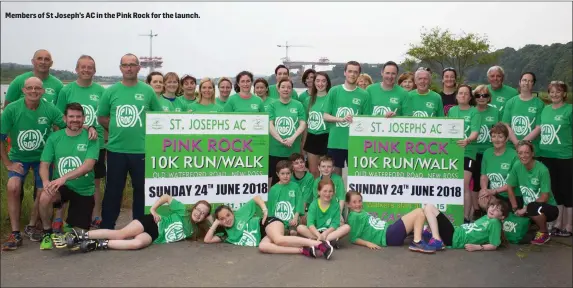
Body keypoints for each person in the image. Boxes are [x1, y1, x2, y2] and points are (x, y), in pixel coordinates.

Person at [1, 77, 95, 250]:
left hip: (41, 157)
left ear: (43, 91)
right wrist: (7, 163)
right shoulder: (12, 109)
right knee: (13, 186)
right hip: (19, 157)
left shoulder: (49, 108)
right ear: (23, 90)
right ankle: (16, 233)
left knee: (42, 193)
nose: (34, 91)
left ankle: (32, 226)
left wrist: (89, 127)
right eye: (29, 88)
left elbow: (70, 122)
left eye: (38, 88)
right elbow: (1, 137)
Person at [96, 53, 163, 230]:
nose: (129, 68)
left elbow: (158, 117)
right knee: (113, 191)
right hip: (116, 150)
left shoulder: (147, 91)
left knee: (141, 191)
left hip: (141, 150)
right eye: (125, 65)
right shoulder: (111, 91)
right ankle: (107, 226)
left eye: (133, 64)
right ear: (120, 68)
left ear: (139, 68)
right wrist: (118, 129)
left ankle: (139, 226)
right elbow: (102, 117)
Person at [37, 103, 100, 250]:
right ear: (65, 118)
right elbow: (44, 165)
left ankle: (70, 223)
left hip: (84, 189)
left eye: (78, 117)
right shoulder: (55, 138)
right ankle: (47, 232)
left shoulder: (91, 137)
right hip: (62, 187)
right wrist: (46, 181)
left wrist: (64, 177)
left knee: (78, 237)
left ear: (84, 118)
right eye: (71, 116)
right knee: (45, 196)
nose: (75, 119)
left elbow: (88, 166)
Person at [55, 55, 106, 230]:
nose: (86, 70)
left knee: (95, 181)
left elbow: (106, 116)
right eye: (82, 67)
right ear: (76, 69)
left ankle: (96, 214)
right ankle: (59, 216)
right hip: (70, 142)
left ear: (94, 70)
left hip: (96, 143)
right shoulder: (66, 91)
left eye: (90, 67)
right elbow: (60, 119)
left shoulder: (101, 91)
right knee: (66, 179)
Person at [58, 195, 213, 252]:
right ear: (194, 208)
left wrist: (210, 219)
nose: (199, 214)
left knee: (136, 244)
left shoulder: (195, 230)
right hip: (151, 223)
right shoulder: (183, 211)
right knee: (121, 234)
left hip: (155, 236)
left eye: (203, 213)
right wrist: (153, 210)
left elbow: (211, 234)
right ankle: (81, 235)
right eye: (198, 209)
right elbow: (166, 197)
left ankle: (98, 244)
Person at [204, 195, 334, 260]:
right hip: (263, 236)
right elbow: (207, 240)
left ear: (232, 212)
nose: (227, 219)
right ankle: (304, 250)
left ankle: (319, 244)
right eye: (222, 219)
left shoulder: (240, 213)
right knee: (263, 247)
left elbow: (256, 198)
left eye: (228, 215)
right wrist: (215, 224)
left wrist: (265, 210)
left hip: (268, 224)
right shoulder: (225, 234)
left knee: (278, 239)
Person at [345, 191, 436, 254]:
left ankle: (419, 235)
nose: (358, 204)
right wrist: (368, 244)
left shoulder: (361, 212)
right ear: (348, 204)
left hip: (389, 231)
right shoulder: (353, 216)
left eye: (360, 201)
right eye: (354, 202)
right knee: (419, 212)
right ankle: (417, 242)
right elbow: (353, 238)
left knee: (420, 212)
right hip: (388, 236)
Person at [506, 140, 560, 245]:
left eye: (526, 152)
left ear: (532, 153)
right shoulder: (517, 166)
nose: (523, 156)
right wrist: (515, 208)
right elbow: (510, 187)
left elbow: (544, 196)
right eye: (520, 153)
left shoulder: (542, 170)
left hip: (549, 207)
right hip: (529, 208)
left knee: (532, 207)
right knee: (504, 209)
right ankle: (533, 226)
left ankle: (544, 232)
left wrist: (525, 209)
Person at [323, 61, 370, 176]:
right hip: (336, 142)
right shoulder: (334, 91)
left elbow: (367, 120)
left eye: (355, 72)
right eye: (350, 71)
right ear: (345, 72)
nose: (352, 74)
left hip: (355, 142)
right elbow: (325, 116)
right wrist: (341, 119)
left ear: (359, 74)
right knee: (335, 178)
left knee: (357, 177)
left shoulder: (364, 95)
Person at [538, 81, 572, 237]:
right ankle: (558, 222)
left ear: (564, 93)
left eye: (558, 91)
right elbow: (540, 130)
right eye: (552, 91)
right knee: (555, 190)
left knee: (567, 191)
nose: (555, 94)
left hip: (565, 156)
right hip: (547, 155)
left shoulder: (569, 110)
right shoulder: (545, 110)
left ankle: (569, 225)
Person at [448, 84, 481, 223]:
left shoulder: (474, 112)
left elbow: (475, 132)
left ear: (470, 97)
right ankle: (453, 215)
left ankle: (466, 217)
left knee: (464, 184)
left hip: (468, 152)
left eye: (466, 93)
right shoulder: (452, 111)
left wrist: (467, 140)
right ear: (456, 96)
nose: (463, 95)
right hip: (452, 153)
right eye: (460, 93)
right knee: (452, 184)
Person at [422, 199, 509, 251]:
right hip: (455, 232)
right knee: (425, 210)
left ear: (502, 217)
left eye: (497, 210)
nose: (492, 210)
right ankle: (434, 236)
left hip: (454, 238)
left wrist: (477, 247)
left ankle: (436, 239)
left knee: (429, 207)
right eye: (492, 206)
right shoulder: (487, 217)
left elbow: (494, 245)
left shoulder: (495, 222)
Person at [268, 78, 307, 186]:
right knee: (276, 181)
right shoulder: (272, 105)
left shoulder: (298, 105)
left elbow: (302, 123)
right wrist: (280, 140)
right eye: (283, 87)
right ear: (278, 89)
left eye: (289, 87)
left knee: (293, 181)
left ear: (292, 90)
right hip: (275, 150)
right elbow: (270, 124)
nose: (286, 89)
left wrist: (292, 138)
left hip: (293, 150)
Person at [296, 178, 350, 249]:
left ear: (333, 193)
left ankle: (318, 242)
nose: (327, 194)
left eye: (330, 191)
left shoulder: (335, 205)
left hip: (329, 232)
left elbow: (335, 224)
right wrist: (318, 235)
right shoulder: (314, 205)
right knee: (300, 228)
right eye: (325, 191)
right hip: (316, 231)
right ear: (318, 192)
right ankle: (326, 241)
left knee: (347, 227)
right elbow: (310, 224)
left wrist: (325, 233)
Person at [472, 85, 502, 214]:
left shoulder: (495, 112)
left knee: (490, 182)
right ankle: (477, 209)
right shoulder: (471, 111)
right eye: (478, 95)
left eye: (484, 95)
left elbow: (500, 131)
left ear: (489, 97)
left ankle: (490, 208)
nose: (481, 98)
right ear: (474, 98)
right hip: (474, 151)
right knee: (475, 183)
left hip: (491, 152)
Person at [478, 123, 520, 210]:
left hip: (511, 196)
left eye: (500, 137)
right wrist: (485, 190)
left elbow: (513, 183)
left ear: (506, 139)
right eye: (494, 136)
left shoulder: (514, 155)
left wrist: (493, 191)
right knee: (482, 198)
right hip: (494, 195)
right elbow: (484, 176)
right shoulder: (487, 153)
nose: (496, 140)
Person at [502, 72, 544, 152]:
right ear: (519, 82)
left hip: (532, 149)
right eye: (524, 80)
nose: (526, 83)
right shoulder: (510, 102)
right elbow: (506, 125)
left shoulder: (539, 104)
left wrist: (523, 143)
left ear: (533, 84)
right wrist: (516, 142)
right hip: (512, 148)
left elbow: (539, 127)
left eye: (530, 81)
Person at [302, 72, 332, 178]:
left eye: (323, 81)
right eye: (318, 81)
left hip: (327, 137)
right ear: (314, 82)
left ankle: (327, 193)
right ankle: (315, 194)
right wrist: (303, 144)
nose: (320, 84)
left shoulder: (331, 98)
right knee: (313, 171)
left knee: (326, 171)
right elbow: (305, 124)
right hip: (312, 137)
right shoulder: (308, 100)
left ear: (327, 83)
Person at [267, 160, 305, 235]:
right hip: (279, 220)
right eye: (282, 173)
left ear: (291, 173)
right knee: (278, 233)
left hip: (293, 219)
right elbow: (271, 208)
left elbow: (299, 203)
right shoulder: (273, 189)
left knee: (293, 232)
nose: (285, 176)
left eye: (288, 173)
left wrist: (296, 217)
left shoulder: (295, 187)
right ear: (277, 174)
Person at [310, 156, 345, 223]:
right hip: (321, 211)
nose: (326, 169)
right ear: (319, 168)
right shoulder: (317, 181)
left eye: (329, 166)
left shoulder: (338, 180)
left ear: (333, 168)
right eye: (323, 166)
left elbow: (341, 199)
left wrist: (339, 213)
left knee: (342, 225)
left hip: (335, 210)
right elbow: (315, 200)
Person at [289, 153, 315, 225]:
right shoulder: (289, 177)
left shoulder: (310, 177)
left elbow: (305, 199)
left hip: (305, 208)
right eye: (296, 163)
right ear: (292, 167)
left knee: (304, 220)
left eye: (302, 162)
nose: (300, 164)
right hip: (292, 208)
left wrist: (298, 216)